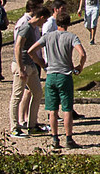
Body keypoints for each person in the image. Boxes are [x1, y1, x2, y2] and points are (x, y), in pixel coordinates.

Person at [28, 13, 86, 149]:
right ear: (68, 23)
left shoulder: (48, 36)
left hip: (51, 74)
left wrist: (41, 63)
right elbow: (82, 53)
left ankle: (55, 139)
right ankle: (68, 138)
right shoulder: (71, 37)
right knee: (66, 108)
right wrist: (79, 67)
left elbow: (31, 51)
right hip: (64, 75)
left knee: (52, 110)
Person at [9, 3, 50, 137]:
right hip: (23, 65)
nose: (44, 23)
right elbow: (18, 47)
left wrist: (40, 64)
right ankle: (14, 126)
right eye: (44, 20)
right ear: (41, 17)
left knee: (37, 93)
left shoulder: (33, 28)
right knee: (17, 96)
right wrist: (20, 68)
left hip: (31, 65)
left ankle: (32, 124)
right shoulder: (26, 27)